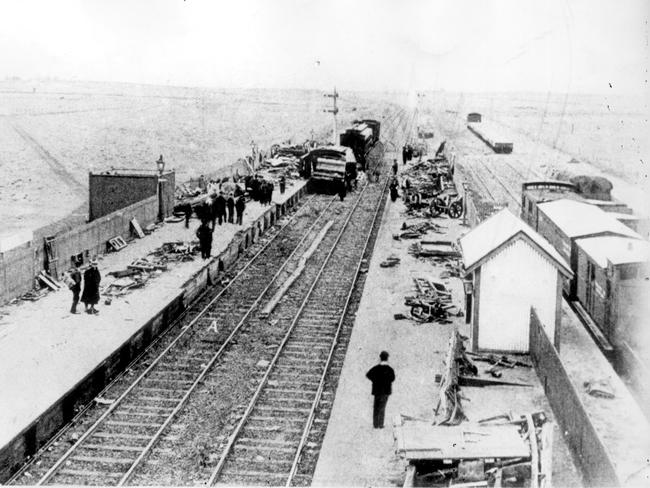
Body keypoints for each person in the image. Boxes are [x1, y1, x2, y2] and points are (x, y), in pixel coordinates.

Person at [366, 351, 395, 429]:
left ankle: (375, 424)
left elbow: (368, 374)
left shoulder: (376, 368)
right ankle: (381, 424)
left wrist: (375, 380)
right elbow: (393, 378)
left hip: (377, 391)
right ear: (387, 358)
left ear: (380, 358)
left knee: (376, 407)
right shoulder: (389, 369)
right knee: (382, 408)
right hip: (385, 391)